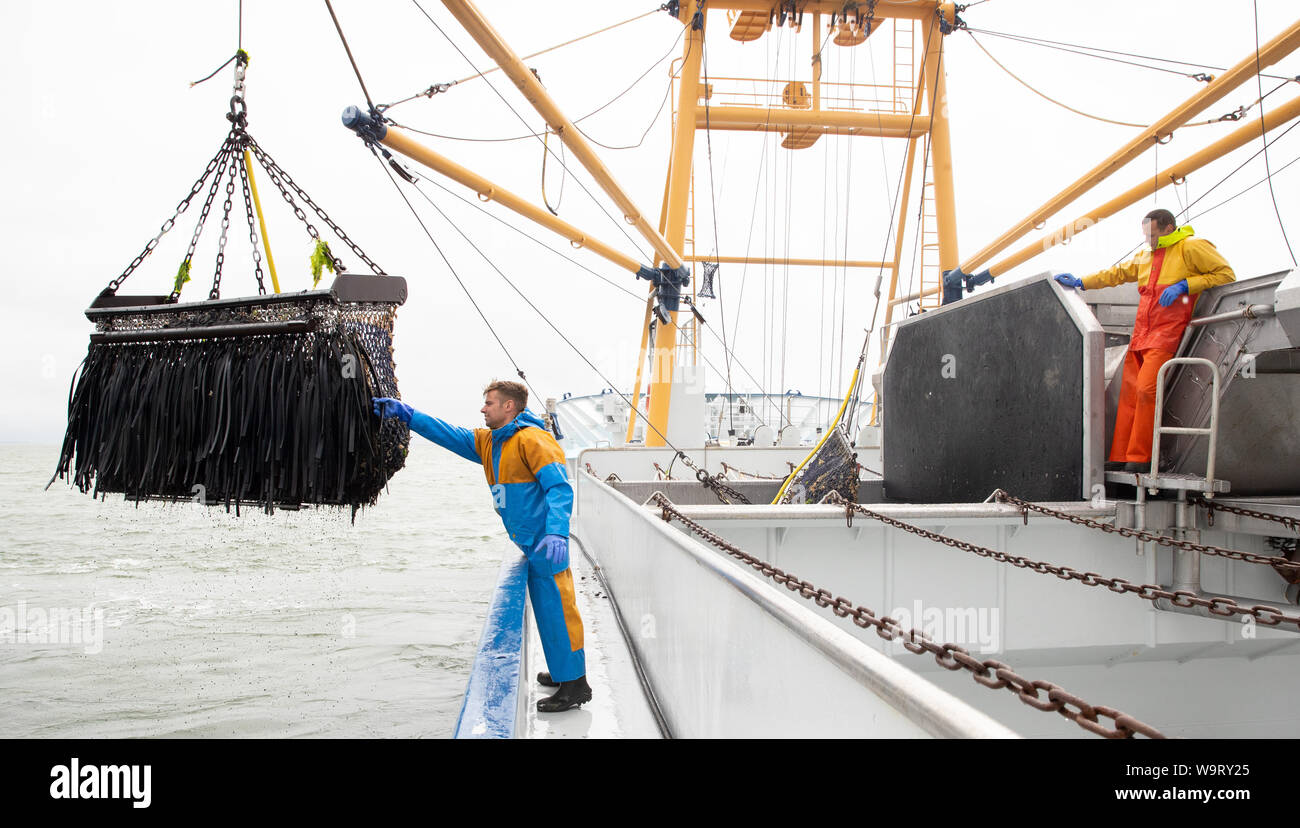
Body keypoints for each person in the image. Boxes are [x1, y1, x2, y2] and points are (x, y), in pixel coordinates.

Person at [372, 380, 591, 713]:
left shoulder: (534, 440)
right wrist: (408, 415)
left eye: (489, 403)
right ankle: (564, 672)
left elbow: (560, 489)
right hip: (528, 542)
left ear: (509, 407)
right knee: (548, 611)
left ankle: (576, 686)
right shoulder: (489, 442)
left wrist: (557, 532)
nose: (483, 408)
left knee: (560, 610)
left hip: (545, 543)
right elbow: (446, 432)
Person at [1054, 208, 1235, 472]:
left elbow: (1225, 274)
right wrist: (1082, 281)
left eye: (1152, 234)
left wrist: (1185, 285)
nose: (1148, 239)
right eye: (1145, 235)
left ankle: (1140, 457)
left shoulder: (1191, 247)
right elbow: (1115, 274)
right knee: (1128, 395)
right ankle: (1120, 455)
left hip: (1165, 333)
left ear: (1168, 227)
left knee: (1146, 392)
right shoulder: (1145, 257)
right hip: (1141, 334)